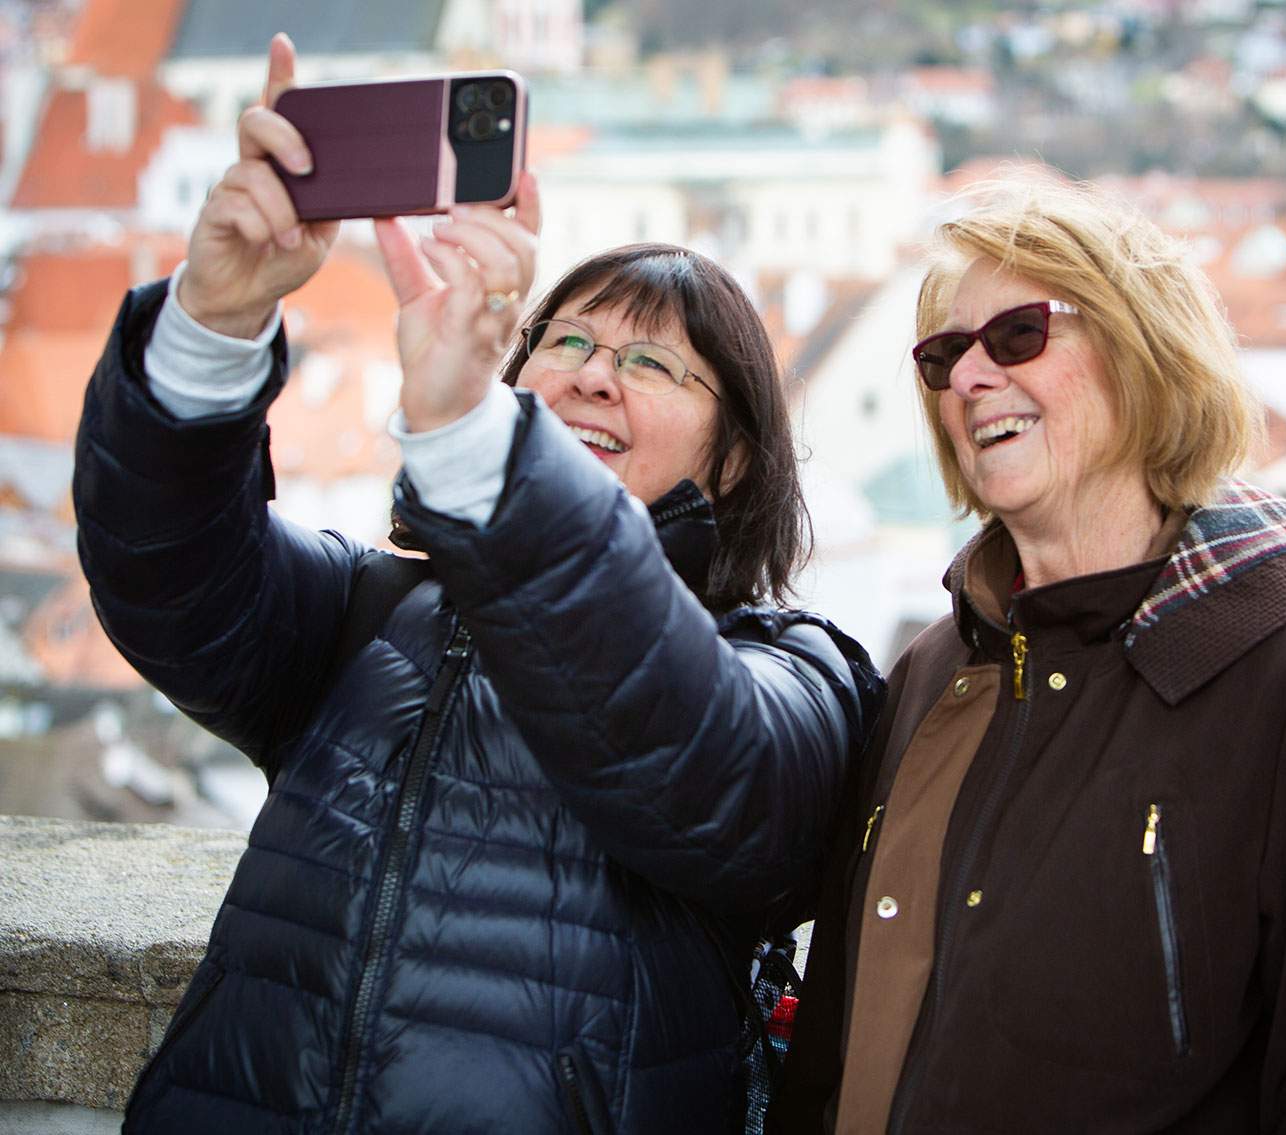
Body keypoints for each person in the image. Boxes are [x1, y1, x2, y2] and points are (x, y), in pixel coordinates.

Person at [75, 35, 880, 1135]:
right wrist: (215, 320)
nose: (596, 373)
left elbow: (698, 759)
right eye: (569, 340)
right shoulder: (371, 616)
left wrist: (484, 460)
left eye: (651, 363)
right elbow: (164, 569)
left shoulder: (794, 669)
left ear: (734, 459)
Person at [768, 175, 1286, 1133]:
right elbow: (833, 1039)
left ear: (1143, 352)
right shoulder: (935, 668)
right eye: (945, 355)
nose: (968, 377)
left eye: (1018, 335)